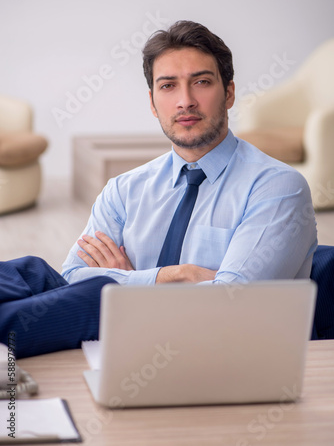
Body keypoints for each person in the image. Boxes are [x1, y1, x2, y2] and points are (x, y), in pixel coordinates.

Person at [0, 21, 318, 358]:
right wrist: (173, 276)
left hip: (216, 355)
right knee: (31, 272)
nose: (185, 101)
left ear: (229, 93)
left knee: (95, 295)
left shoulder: (276, 186)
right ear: (153, 102)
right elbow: (73, 275)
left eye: (202, 82)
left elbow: (230, 301)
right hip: (123, 346)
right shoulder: (125, 188)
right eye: (168, 86)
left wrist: (133, 282)